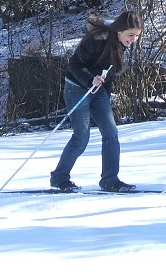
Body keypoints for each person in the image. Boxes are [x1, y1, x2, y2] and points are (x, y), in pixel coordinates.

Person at [50, 11, 143, 192]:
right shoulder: (97, 39)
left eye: (137, 36)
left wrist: (104, 98)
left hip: (98, 90)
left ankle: (110, 180)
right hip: (77, 89)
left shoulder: (121, 43)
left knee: (111, 132)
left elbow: (108, 74)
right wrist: (89, 79)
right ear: (119, 30)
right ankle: (59, 178)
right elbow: (74, 64)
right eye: (131, 35)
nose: (133, 39)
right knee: (81, 137)